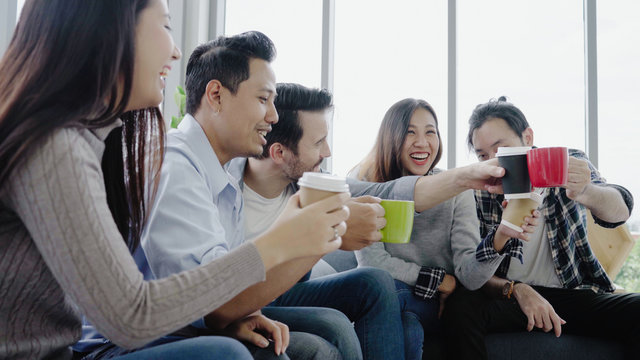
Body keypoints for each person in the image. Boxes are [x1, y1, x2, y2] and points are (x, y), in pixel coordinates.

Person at [0, 1, 347, 359]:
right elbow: (132, 316)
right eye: (166, 26)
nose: (176, 50)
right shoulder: (57, 147)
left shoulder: (95, 142)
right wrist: (279, 242)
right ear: (111, 30)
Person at [232, 83, 520, 360]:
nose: (328, 152)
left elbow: (390, 194)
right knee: (370, 302)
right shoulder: (222, 187)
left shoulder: (315, 185)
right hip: (248, 298)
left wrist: (469, 187)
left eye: (430, 132)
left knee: (377, 292)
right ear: (279, 152)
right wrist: (437, 280)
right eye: (319, 142)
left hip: (301, 292)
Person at [137, 33, 352, 360]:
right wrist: (317, 235)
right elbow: (213, 302)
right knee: (308, 350)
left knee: (328, 330)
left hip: (190, 325)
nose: (274, 117)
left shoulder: (223, 177)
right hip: (145, 339)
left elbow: (223, 296)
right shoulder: (175, 166)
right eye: (263, 99)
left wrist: (234, 317)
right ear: (216, 96)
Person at [443, 96, 639, 360]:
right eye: (483, 155)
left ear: (527, 138)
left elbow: (620, 210)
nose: (494, 162)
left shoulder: (566, 163)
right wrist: (516, 290)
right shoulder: (478, 190)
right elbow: (472, 271)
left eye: (501, 149)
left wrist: (586, 191)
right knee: (461, 306)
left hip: (571, 293)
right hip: (510, 296)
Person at [350, 98, 538, 360]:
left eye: (430, 132)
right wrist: (439, 280)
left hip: (429, 304)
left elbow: (469, 276)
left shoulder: (456, 191)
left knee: (389, 291)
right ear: (390, 137)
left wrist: (501, 235)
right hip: (400, 298)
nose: (422, 142)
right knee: (404, 320)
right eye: (409, 132)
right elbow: (372, 262)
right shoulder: (365, 183)